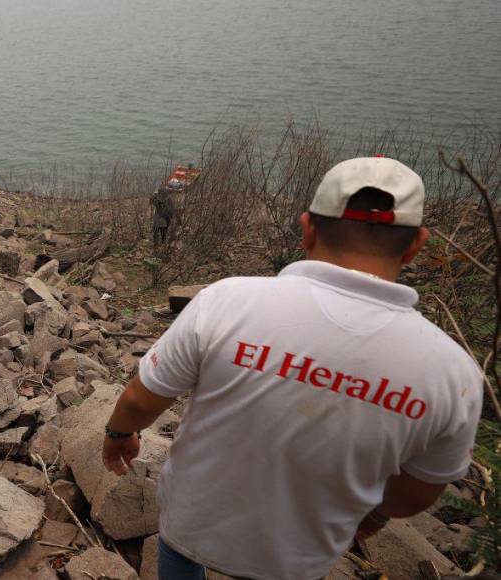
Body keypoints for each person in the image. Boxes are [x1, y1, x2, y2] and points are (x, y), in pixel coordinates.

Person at [102, 157, 483, 580]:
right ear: (416, 245)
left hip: (191, 532)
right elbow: (418, 490)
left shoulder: (227, 301)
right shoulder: (454, 371)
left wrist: (118, 434)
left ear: (307, 230)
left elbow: (140, 399)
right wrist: (377, 513)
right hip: (299, 561)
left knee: (180, 560)